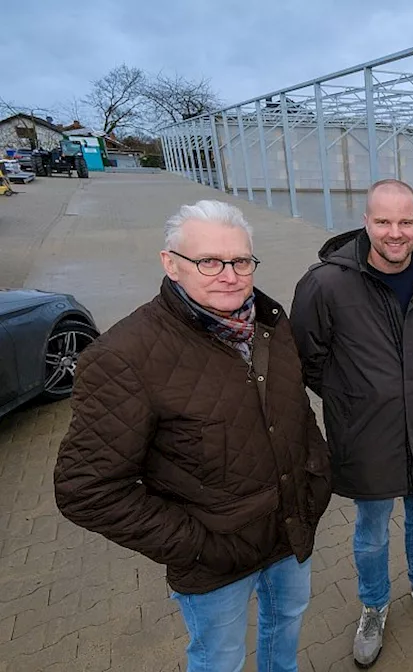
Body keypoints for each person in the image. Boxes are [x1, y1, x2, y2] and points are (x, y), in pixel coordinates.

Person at [54, 200, 332, 672]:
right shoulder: (124, 356)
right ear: (171, 264)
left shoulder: (269, 322)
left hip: (290, 529)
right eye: (209, 261)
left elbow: (296, 412)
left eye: (241, 260)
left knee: (285, 626)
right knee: (219, 658)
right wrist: (197, 546)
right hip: (214, 557)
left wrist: (316, 476)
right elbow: (86, 490)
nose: (230, 275)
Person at [291, 179, 413, 668]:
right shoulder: (325, 284)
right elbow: (306, 358)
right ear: (365, 221)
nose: (395, 233)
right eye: (383, 221)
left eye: (405, 222)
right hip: (367, 437)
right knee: (371, 529)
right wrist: (357, 399)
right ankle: (373, 604)